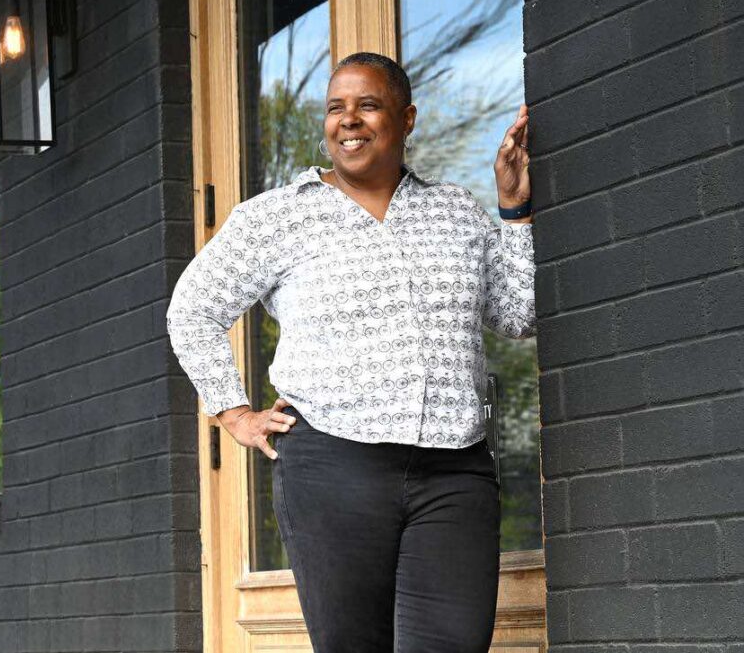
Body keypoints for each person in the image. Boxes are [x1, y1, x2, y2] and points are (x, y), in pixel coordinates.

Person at [166, 51, 535, 652]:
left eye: (368, 105)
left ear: (407, 118)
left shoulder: (456, 212)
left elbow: (519, 316)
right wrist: (233, 411)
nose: (349, 120)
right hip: (334, 468)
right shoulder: (278, 217)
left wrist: (515, 211)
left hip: (453, 471)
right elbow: (192, 309)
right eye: (337, 107)